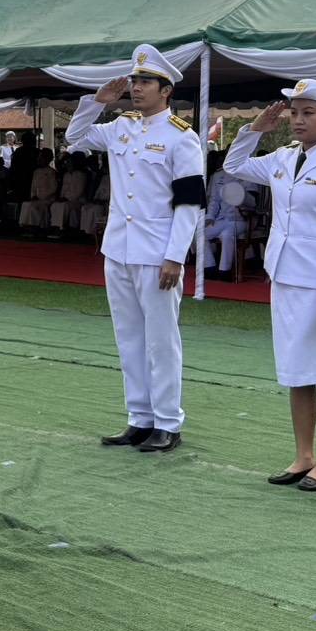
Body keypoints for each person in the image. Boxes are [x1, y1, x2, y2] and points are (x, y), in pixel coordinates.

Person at [224, 78, 316, 493]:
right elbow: (233, 166)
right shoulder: (283, 157)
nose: (298, 120)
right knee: (297, 371)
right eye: (294, 113)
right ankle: (303, 456)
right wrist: (255, 130)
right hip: (285, 276)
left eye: (308, 113)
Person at [64, 44, 205, 454]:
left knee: (161, 340)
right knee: (128, 338)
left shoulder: (182, 137)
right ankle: (139, 418)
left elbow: (189, 204)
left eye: (145, 82)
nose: (136, 88)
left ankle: (168, 421)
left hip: (157, 252)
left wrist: (175, 255)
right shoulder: (121, 126)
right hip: (119, 249)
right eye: (135, 81)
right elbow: (74, 138)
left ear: (166, 90)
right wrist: (97, 103)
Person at [203, 151, 251, 278]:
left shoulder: (248, 174)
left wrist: (242, 199)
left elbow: (253, 202)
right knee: (200, 234)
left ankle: (224, 271)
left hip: (239, 220)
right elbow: (214, 200)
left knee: (227, 234)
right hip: (221, 218)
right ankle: (209, 267)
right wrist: (210, 217)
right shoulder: (218, 176)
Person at [18, 149, 59, 229]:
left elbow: (53, 188)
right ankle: (25, 225)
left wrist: (41, 196)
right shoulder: (36, 172)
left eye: (41, 158)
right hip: (37, 198)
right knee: (25, 204)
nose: (39, 159)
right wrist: (33, 195)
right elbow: (33, 186)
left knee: (33, 206)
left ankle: (35, 226)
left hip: (47, 199)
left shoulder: (51, 172)